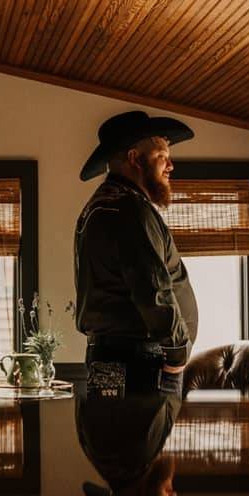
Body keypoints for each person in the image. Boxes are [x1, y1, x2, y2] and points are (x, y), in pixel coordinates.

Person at [74, 110, 199, 399]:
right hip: (141, 362)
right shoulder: (127, 210)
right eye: (161, 156)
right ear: (134, 158)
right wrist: (177, 356)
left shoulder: (105, 206)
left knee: (116, 440)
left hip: (120, 357)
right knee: (133, 440)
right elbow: (153, 290)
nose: (170, 166)